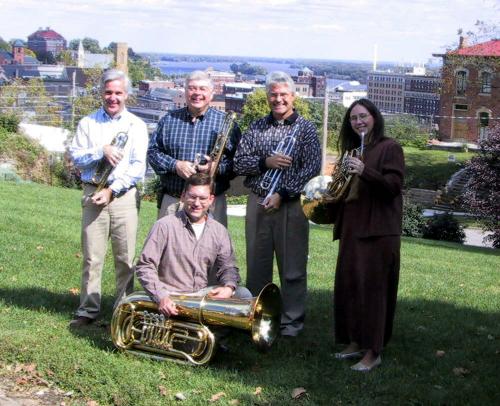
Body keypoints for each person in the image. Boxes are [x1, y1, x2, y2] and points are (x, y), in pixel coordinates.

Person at [234, 71, 321, 338]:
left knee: (292, 266)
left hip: (291, 205)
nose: (278, 99)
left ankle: (291, 322)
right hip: (258, 202)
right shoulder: (257, 127)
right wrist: (266, 162)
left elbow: (311, 168)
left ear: (293, 97)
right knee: (257, 265)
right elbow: (239, 161)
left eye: (283, 94)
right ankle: (261, 317)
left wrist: (282, 193)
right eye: (273, 94)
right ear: (267, 96)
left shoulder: (305, 128)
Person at [328, 99, 404, 371]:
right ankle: (354, 341)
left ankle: (374, 351)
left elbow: (393, 186)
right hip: (352, 227)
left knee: (373, 291)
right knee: (349, 287)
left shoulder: (390, 147)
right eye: (353, 118)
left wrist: (364, 171)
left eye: (363, 116)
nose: (358, 122)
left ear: (375, 117)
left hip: (379, 231)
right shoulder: (353, 150)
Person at [68, 69, 148, 327]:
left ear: (127, 95)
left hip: (123, 196)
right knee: (92, 256)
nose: (113, 98)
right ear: (101, 93)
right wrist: (101, 151)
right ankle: (88, 309)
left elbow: (138, 167)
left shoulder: (137, 125)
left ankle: (122, 310)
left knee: (125, 258)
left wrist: (113, 190)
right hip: (92, 192)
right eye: (108, 92)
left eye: (118, 93)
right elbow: (76, 157)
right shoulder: (87, 123)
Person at [135, 173, 251, 317]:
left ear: (211, 200)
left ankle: (219, 333)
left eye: (202, 198)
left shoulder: (219, 231)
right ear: (183, 196)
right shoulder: (164, 226)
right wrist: (161, 297)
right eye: (192, 197)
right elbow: (145, 266)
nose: (197, 203)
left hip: (205, 296)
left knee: (243, 294)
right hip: (172, 296)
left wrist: (228, 287)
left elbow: (228, 267)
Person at [147, 70, 241, 227]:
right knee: (170, 250)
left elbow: (237, 163)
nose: (197, 93)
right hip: (174, 201)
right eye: (192, 88)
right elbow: (152, 153)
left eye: (202, 89)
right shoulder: (169, 120)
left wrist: (215, 168)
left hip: (211, 202)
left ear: (211, 94)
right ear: (185, 92)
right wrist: (175, 165)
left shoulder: (227, 124)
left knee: (210, 250)